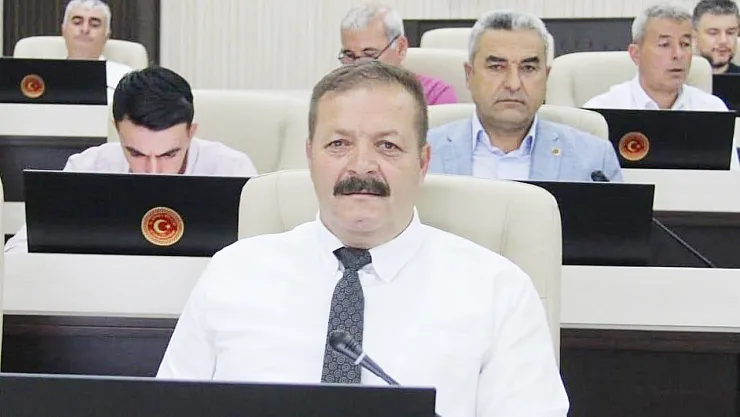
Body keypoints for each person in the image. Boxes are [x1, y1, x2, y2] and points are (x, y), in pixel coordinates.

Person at [156, 60, 569, 417]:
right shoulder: (232, 273)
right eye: (339, 144)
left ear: (423, 162)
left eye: (387, 146)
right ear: (310, 156)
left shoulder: (498, 291)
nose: (361, 166)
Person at [4, 66, 258, 253]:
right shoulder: (87, 168)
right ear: (117, 129)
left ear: (191, 133)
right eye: (136, 153)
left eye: (169, 154)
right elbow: (20, 249)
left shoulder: (233, 171)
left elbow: (260, 254)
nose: (153, 171)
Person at [427, 10, 622, 182]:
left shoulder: (594, 159)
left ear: (546, 77)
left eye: (528, 68)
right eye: (497, 67)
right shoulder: (423, 153)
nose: (513, 84)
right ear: (469, 75)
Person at [583, 2, 729, 111]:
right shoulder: (603, 111)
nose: (678, 55)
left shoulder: (713, 109)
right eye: (665, 45)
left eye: (685, 44)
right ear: (636, 54)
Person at [339, 4, 457, 105]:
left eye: (369, 55)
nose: (358, 67)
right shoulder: (336, 95)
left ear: (400, 48)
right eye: (350, 56)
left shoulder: (434, 95)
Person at [61, 0, 134, 98]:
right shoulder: (45, 76)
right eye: (77, 22)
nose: (85, 29)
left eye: (94, 24)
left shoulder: (127, 80)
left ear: (107, 36)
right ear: (63, 30)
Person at [693, 0, 740, 74]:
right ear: (694, 36)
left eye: (730, 33)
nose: (723, 40)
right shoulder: (679, 78)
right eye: (713, 33)